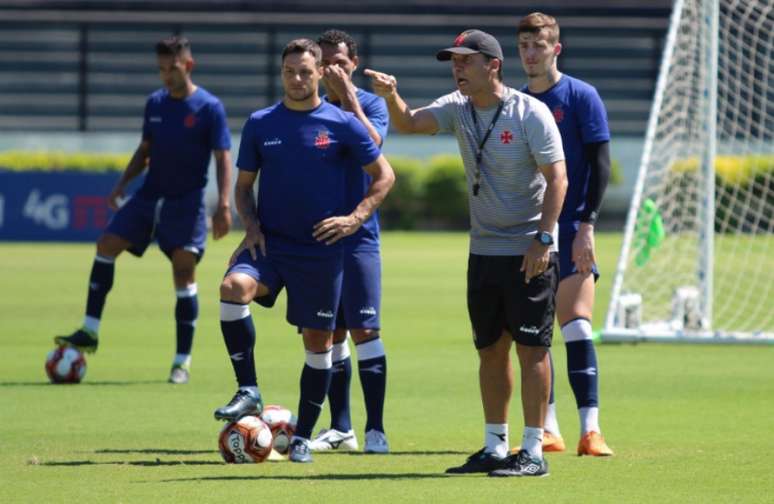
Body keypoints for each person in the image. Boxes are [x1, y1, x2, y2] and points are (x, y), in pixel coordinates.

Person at [366, 29, 567, 477]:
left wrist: (544, 239)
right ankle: (495, 446)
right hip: (484, 250)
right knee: (491, 349)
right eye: (453, 62)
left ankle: (532, 451)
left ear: (492, 65)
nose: (456, 68)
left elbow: (558, 179)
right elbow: (409, 123)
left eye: (464, 61)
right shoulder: (457, 107)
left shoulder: (528, 112)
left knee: (533, 349)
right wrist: (393, 96)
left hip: (528, 250)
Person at [212, 38, 395, 464]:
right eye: (290, 71)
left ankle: (304, 437)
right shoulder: (261, 123)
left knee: (320, 343)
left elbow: (384, 176)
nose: (297, 79)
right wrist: (251, 226)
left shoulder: (344, 122)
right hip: (271, 244)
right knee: (233, 286)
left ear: (319, 74)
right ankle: (248, 388)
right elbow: (243, 188)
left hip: (321, 253)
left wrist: (355, 218)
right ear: (282, 74)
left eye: (305, 72)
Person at [55, 36, 232, 385]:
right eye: (162, 69)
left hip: (187, 202)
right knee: (106, 244)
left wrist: (223, 204)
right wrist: (122, 183)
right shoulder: (155, 103)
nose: (166, 76)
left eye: (173, 68)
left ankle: (182, 362)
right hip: (150, 195)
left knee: (183, 272)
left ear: (189, 65)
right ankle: (90, 330)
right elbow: (145, 148)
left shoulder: (209, 107)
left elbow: (223, 157)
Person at [517, 12, 614, 457]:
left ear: (556, 49)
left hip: (573, 226)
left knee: (576, 326)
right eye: (524, 47)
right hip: (530, 231)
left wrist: (587, 225)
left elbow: (599, 164)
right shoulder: (515, 103)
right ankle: (549, 429)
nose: (531, 54)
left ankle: (591, 430)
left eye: (539, 46)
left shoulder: (581, 96)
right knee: (535, 335)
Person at [305, 29, 391, 455]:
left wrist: (348, 98)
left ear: (353, 63)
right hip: (318, 238)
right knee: (327, 330)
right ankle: (341, 429)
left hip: (360, 236)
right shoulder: (309, 109)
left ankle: (376, 430)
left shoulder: (372, 104)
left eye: (339, 61)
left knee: (366, 328)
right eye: (324, 63)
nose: (331, 69)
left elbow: (373, 146)